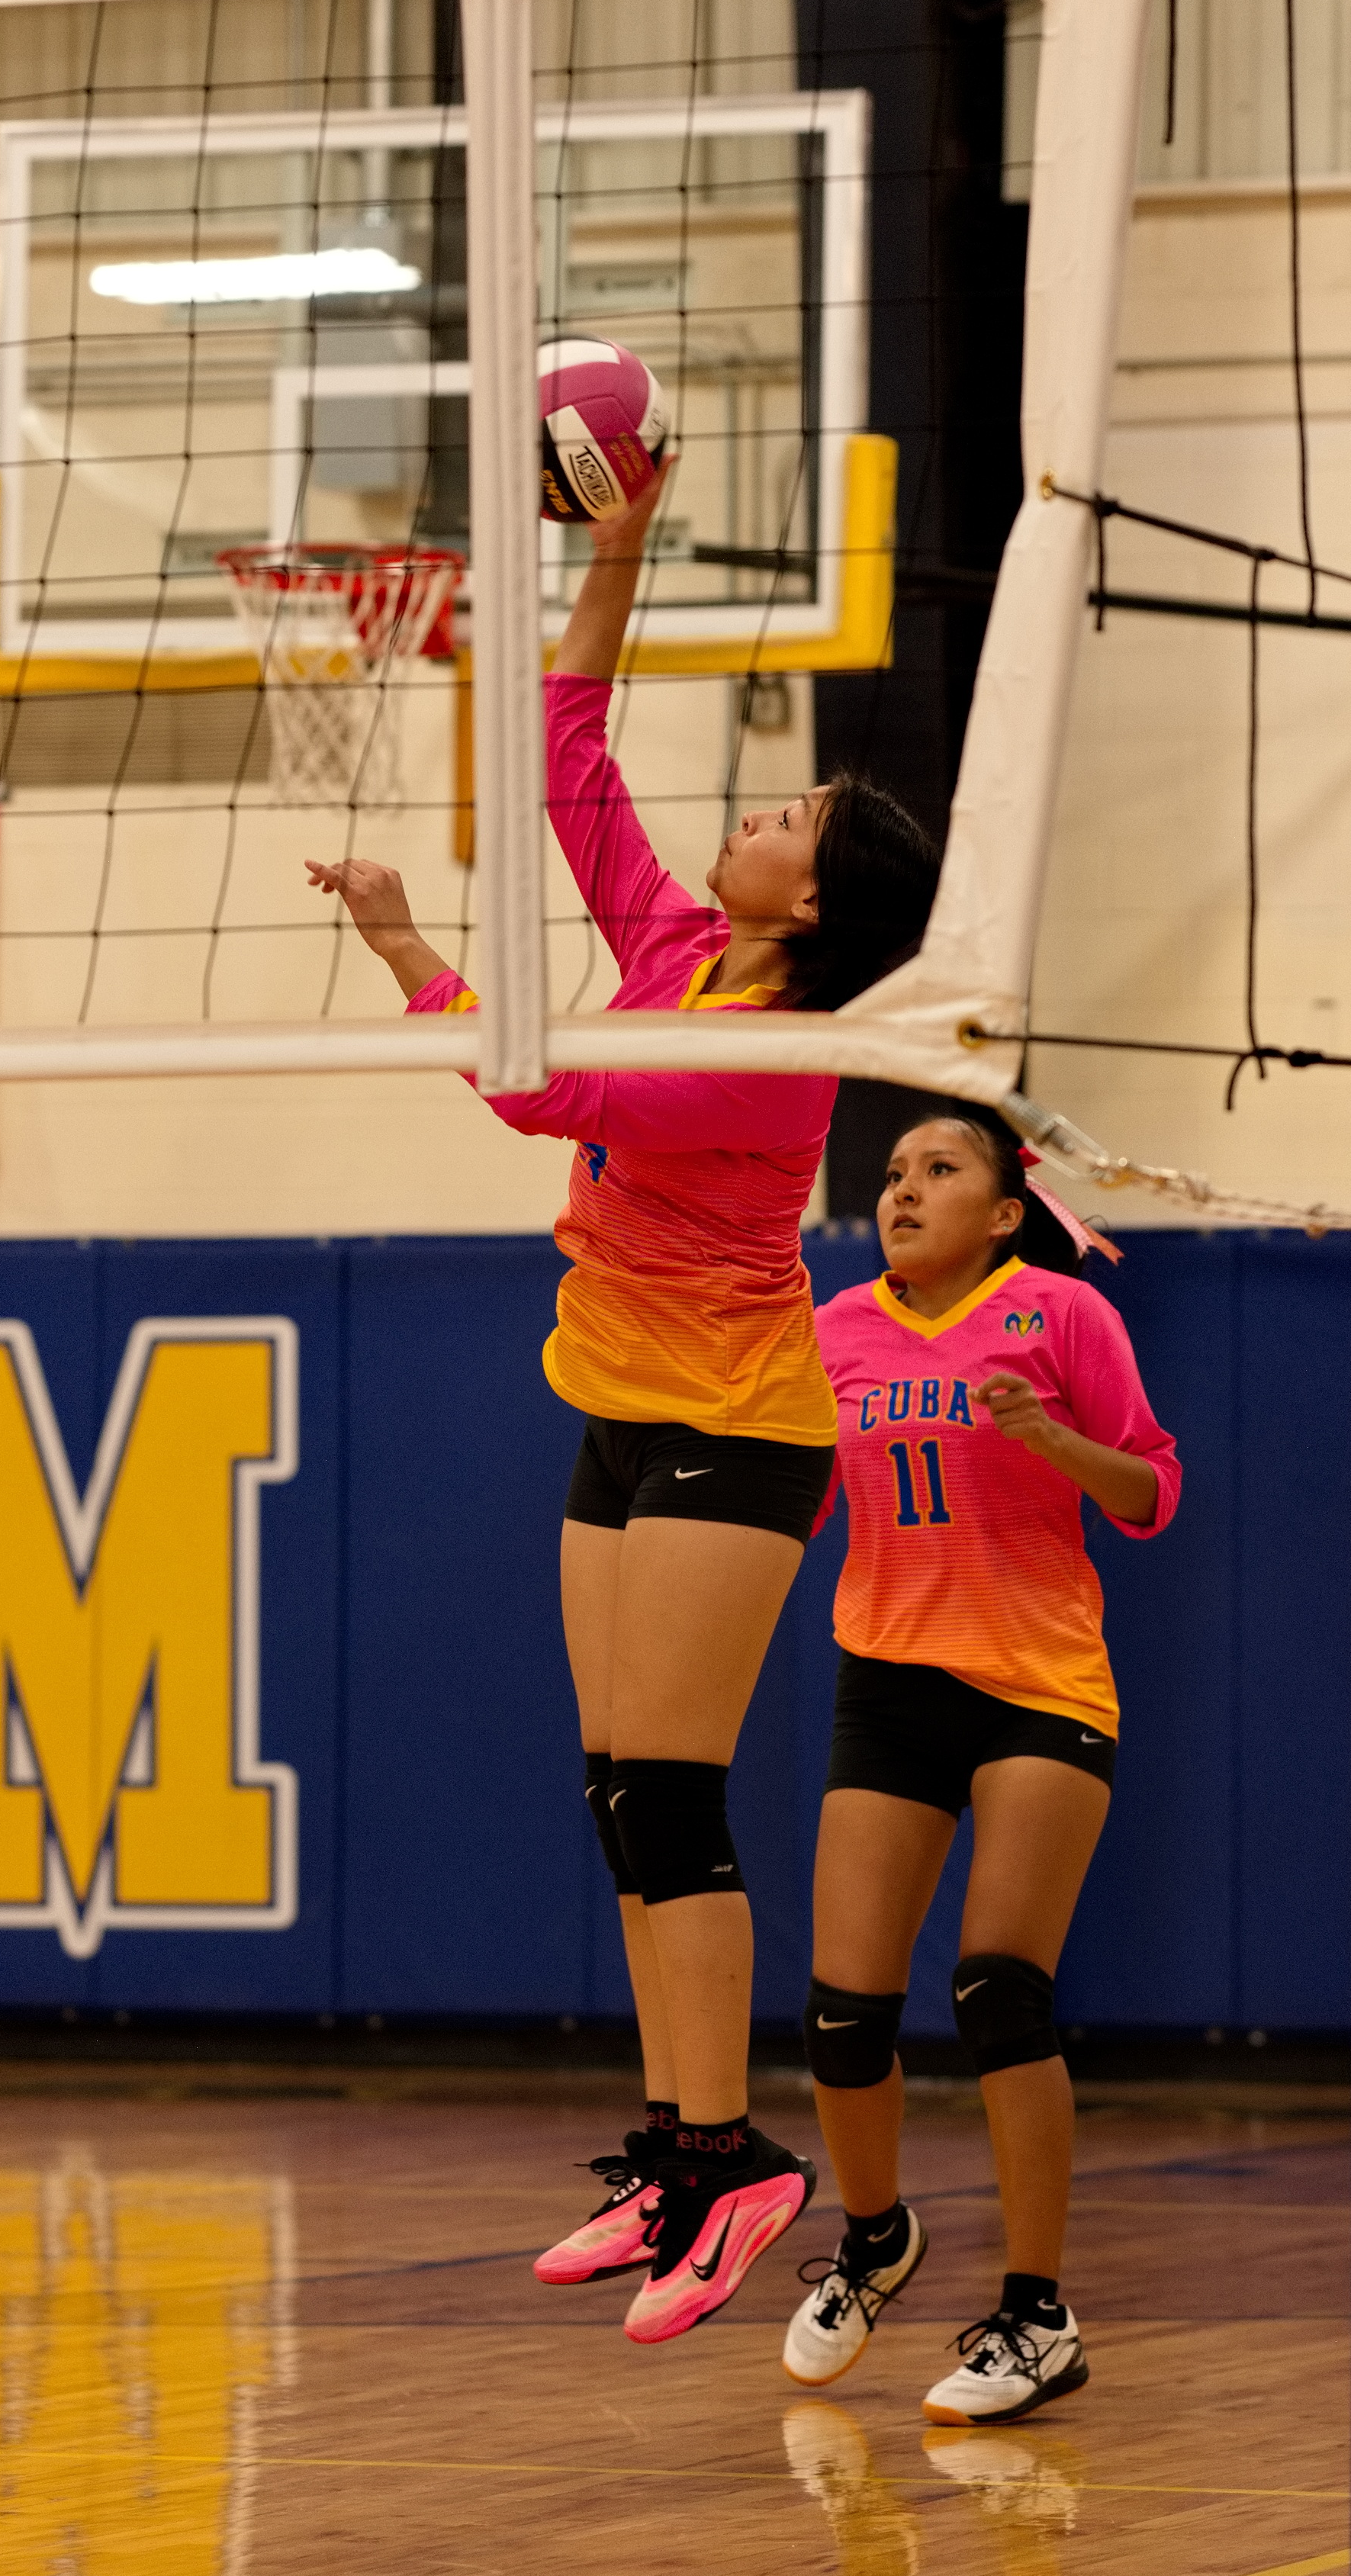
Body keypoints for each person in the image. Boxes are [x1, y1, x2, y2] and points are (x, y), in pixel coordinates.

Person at [307, 483, 942, 2346]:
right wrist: (619, 538)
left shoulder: (757, 1057)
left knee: (669, 1787)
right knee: (615, 1786)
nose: (749, 812)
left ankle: (740, 2160)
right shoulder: (675, 942)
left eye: (786, 819)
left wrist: (411, 948)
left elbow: (530, 1090)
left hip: (742, 1426)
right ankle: (681, 2152)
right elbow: (566, 743)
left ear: (807, 905)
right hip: (616, 1393)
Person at [777, 1110, 1179, 2423]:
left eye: (937, 1171)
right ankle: (876, 2238)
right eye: (891, 1174)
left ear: (1003, 1209)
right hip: (887, 1678)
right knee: (842, 2012)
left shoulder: (1059, 1314)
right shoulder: (832, 1332)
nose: (902, 1190)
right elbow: (802, 1502)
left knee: (998, 1991)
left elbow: (1149, 1493)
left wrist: (1052, 1440)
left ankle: (1036, 2314)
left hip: (1037, 1684)